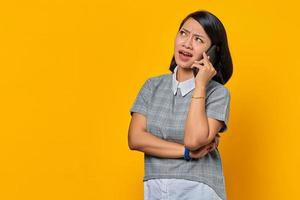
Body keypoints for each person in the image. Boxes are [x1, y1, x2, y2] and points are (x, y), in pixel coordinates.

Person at [128, 10, 233, 200]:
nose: (187, 43)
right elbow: (135, 138)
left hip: (199, 188)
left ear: (212, 52)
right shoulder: (153, 86)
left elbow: (194, 139)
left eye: (198, 39)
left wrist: (200, 85)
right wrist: (186, 152)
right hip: (156, 187)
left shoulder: (217, 93)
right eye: (183, 33)